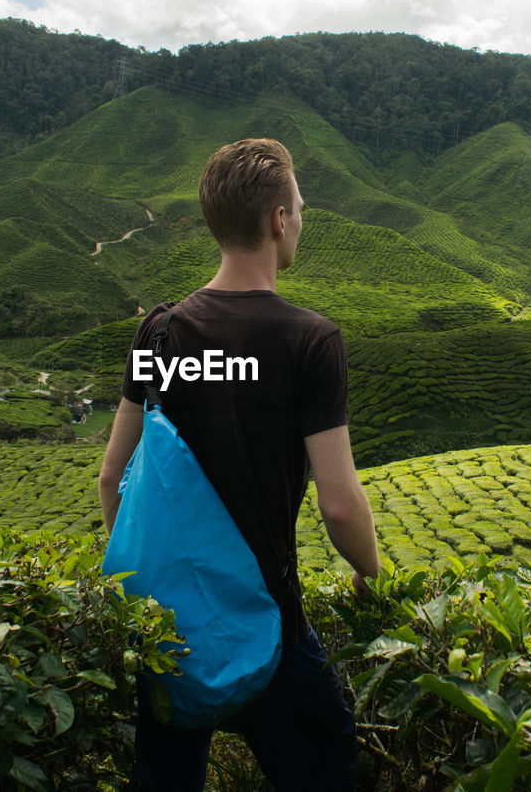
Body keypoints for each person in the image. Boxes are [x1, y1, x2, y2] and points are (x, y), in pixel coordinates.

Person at [99, 137, 382, 790]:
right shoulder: (310, 340)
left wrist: (150, 591)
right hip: (267, 625)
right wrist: (373, 575)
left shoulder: (159, 333)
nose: (301, 220)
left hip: (166, 629)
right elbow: (339, 505)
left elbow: (113, 477)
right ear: (278, 219)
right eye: (300, 208)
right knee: (329, 769)